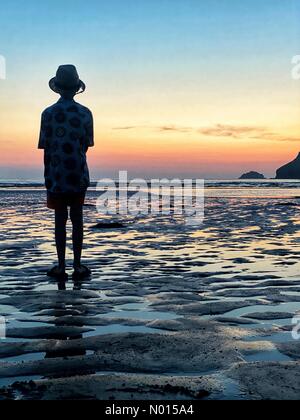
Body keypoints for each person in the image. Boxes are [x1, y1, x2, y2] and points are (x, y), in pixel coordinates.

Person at [38, 65, 94, 280]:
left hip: (55, 173)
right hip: (78, 172)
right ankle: (78, 265)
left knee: (59, 220)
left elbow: (45, 144)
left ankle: (61, 266)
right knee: (77, 219)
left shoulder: (48, 113)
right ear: (76, 87)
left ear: (58, 88)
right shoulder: (85, 113)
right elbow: (87, 144)